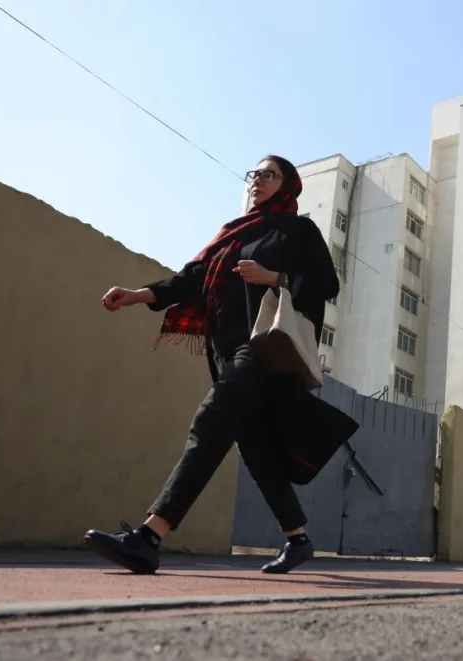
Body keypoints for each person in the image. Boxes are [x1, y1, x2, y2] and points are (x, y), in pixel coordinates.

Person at [84, 155, 341, 575]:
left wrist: (274, 277)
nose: (258, 180)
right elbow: (190, 279)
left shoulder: (297, 229)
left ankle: (150, 536)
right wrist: (136, 294)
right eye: (254, 174)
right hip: (224, 351)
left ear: (288, 185)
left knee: (209, 422)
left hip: (263, 345)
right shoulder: (233, 234)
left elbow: (326, 284)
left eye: (269, 175)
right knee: (255, 447)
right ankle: (298, 539)